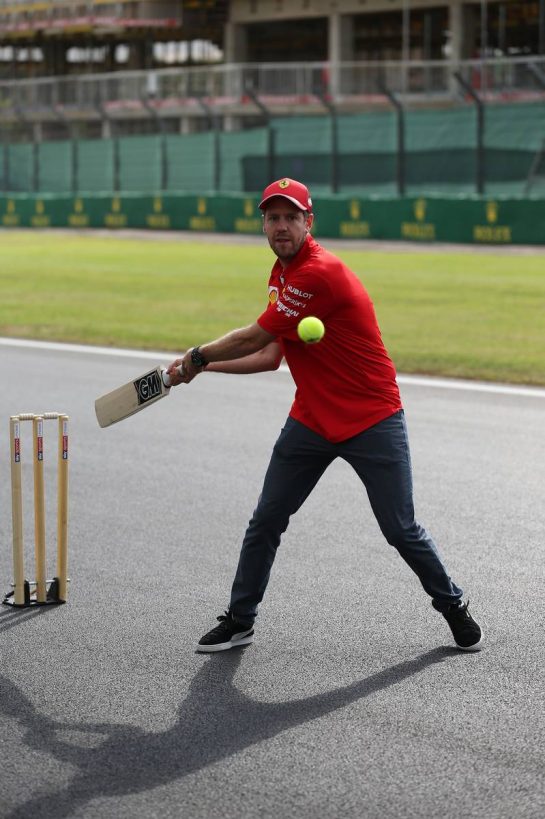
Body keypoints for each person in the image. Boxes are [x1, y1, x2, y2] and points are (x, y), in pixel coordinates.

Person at [166, 177, 483, 654]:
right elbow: (271, 356)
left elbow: (254, 337)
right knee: (267, 518)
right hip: (312, 419)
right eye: (272, 218)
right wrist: (204, 370)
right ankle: (240, 619)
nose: (281, 226)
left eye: (291, 217)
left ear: (308, 222)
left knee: (400, 528)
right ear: (264, 225)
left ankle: (452, 605)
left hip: (372, 417)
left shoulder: (319, 273)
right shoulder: (281, 276)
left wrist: (196, 356)